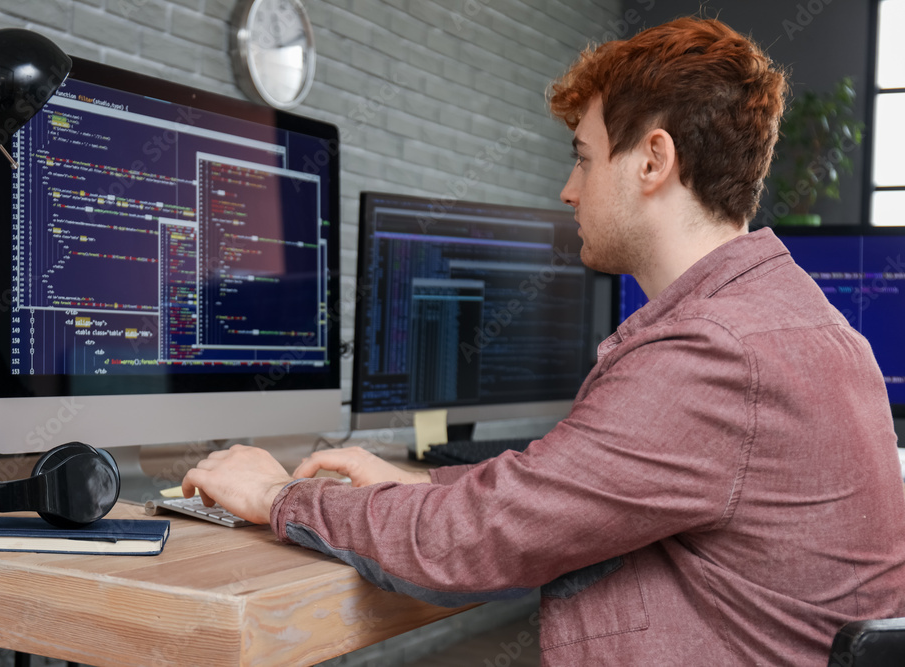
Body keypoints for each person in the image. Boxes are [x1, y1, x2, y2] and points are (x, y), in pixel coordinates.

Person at [182, 17, 905, 665]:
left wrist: (277, 493)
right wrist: (417, 482)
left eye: (585, 157)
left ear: (654, 161)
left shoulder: (715, 353)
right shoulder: (794, 319)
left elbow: (478, 540)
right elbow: (559, 492)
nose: (568, 187)